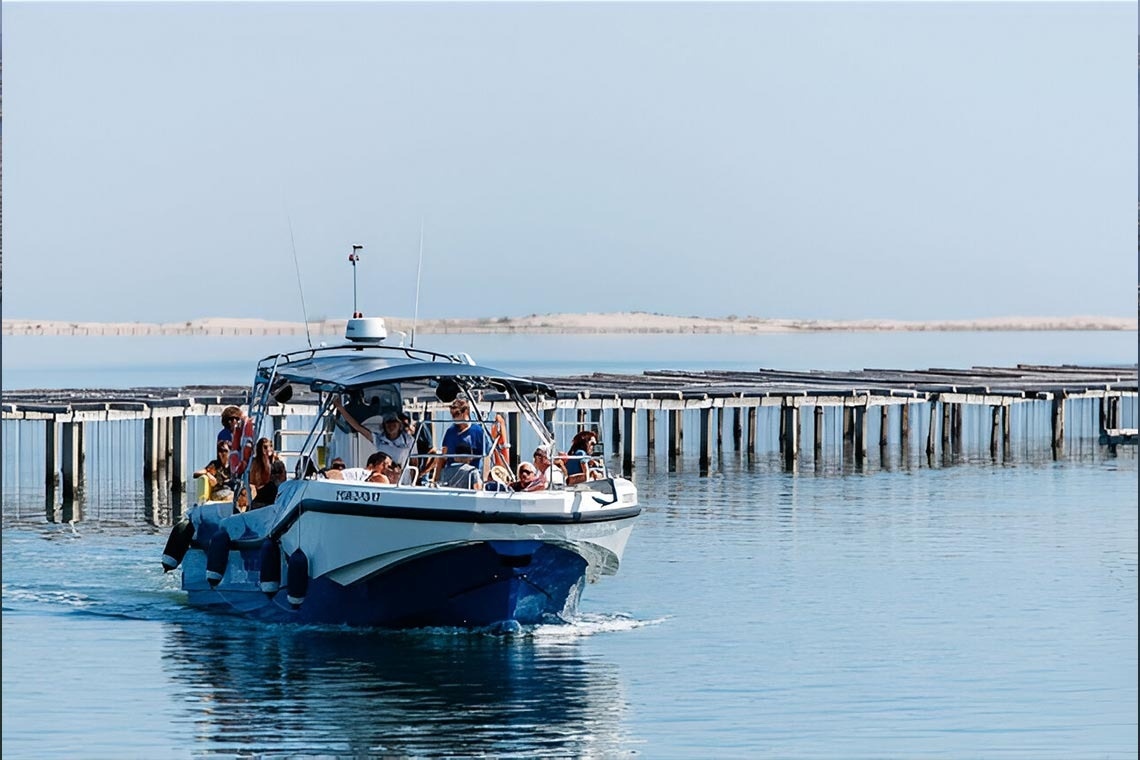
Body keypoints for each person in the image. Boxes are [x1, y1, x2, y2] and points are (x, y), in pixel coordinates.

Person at [433, 398, 486, 482]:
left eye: (456, 414)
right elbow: (443, 458)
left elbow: (486, 457)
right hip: (452, 478)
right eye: (452, 414)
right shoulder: (450, 432)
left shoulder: (478, 432)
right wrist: (436, 479)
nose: (454, 417)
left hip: (472, 478)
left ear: (465, 412)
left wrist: (484, 480)